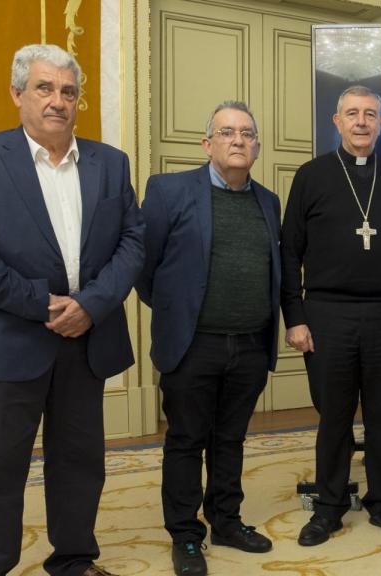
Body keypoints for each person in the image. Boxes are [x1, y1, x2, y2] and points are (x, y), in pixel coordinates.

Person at [0, 44, 143, 576]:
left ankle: (74, 560)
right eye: (45, 88)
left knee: (80, 461)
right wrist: (42, 304)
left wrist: (91, 305)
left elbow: (133, 243)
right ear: (17, 94)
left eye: (69, 91)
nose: (58, 100)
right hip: (8, 339)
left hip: (87, 339)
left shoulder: (110, 162)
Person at [281, 85, 381, 547]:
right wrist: (294, 317)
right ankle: (329, 507)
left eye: (370, 114)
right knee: (334, 417)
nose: (361, 122)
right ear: (337, 121)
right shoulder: (311, 176)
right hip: (328, 314)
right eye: (352, 113)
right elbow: (289, 253)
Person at [136, 101, 280, 575]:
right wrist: (179, 312)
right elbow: (145, 268)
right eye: (227, 132)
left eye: (247, 134)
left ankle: (226, 521)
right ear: (207, 144)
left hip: (250, 344)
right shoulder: (168, 191)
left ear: (257, 148)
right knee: (186, 440)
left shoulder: (269, 202)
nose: (238, 140)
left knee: (231, 438)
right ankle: (185, 535)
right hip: (192, 344)